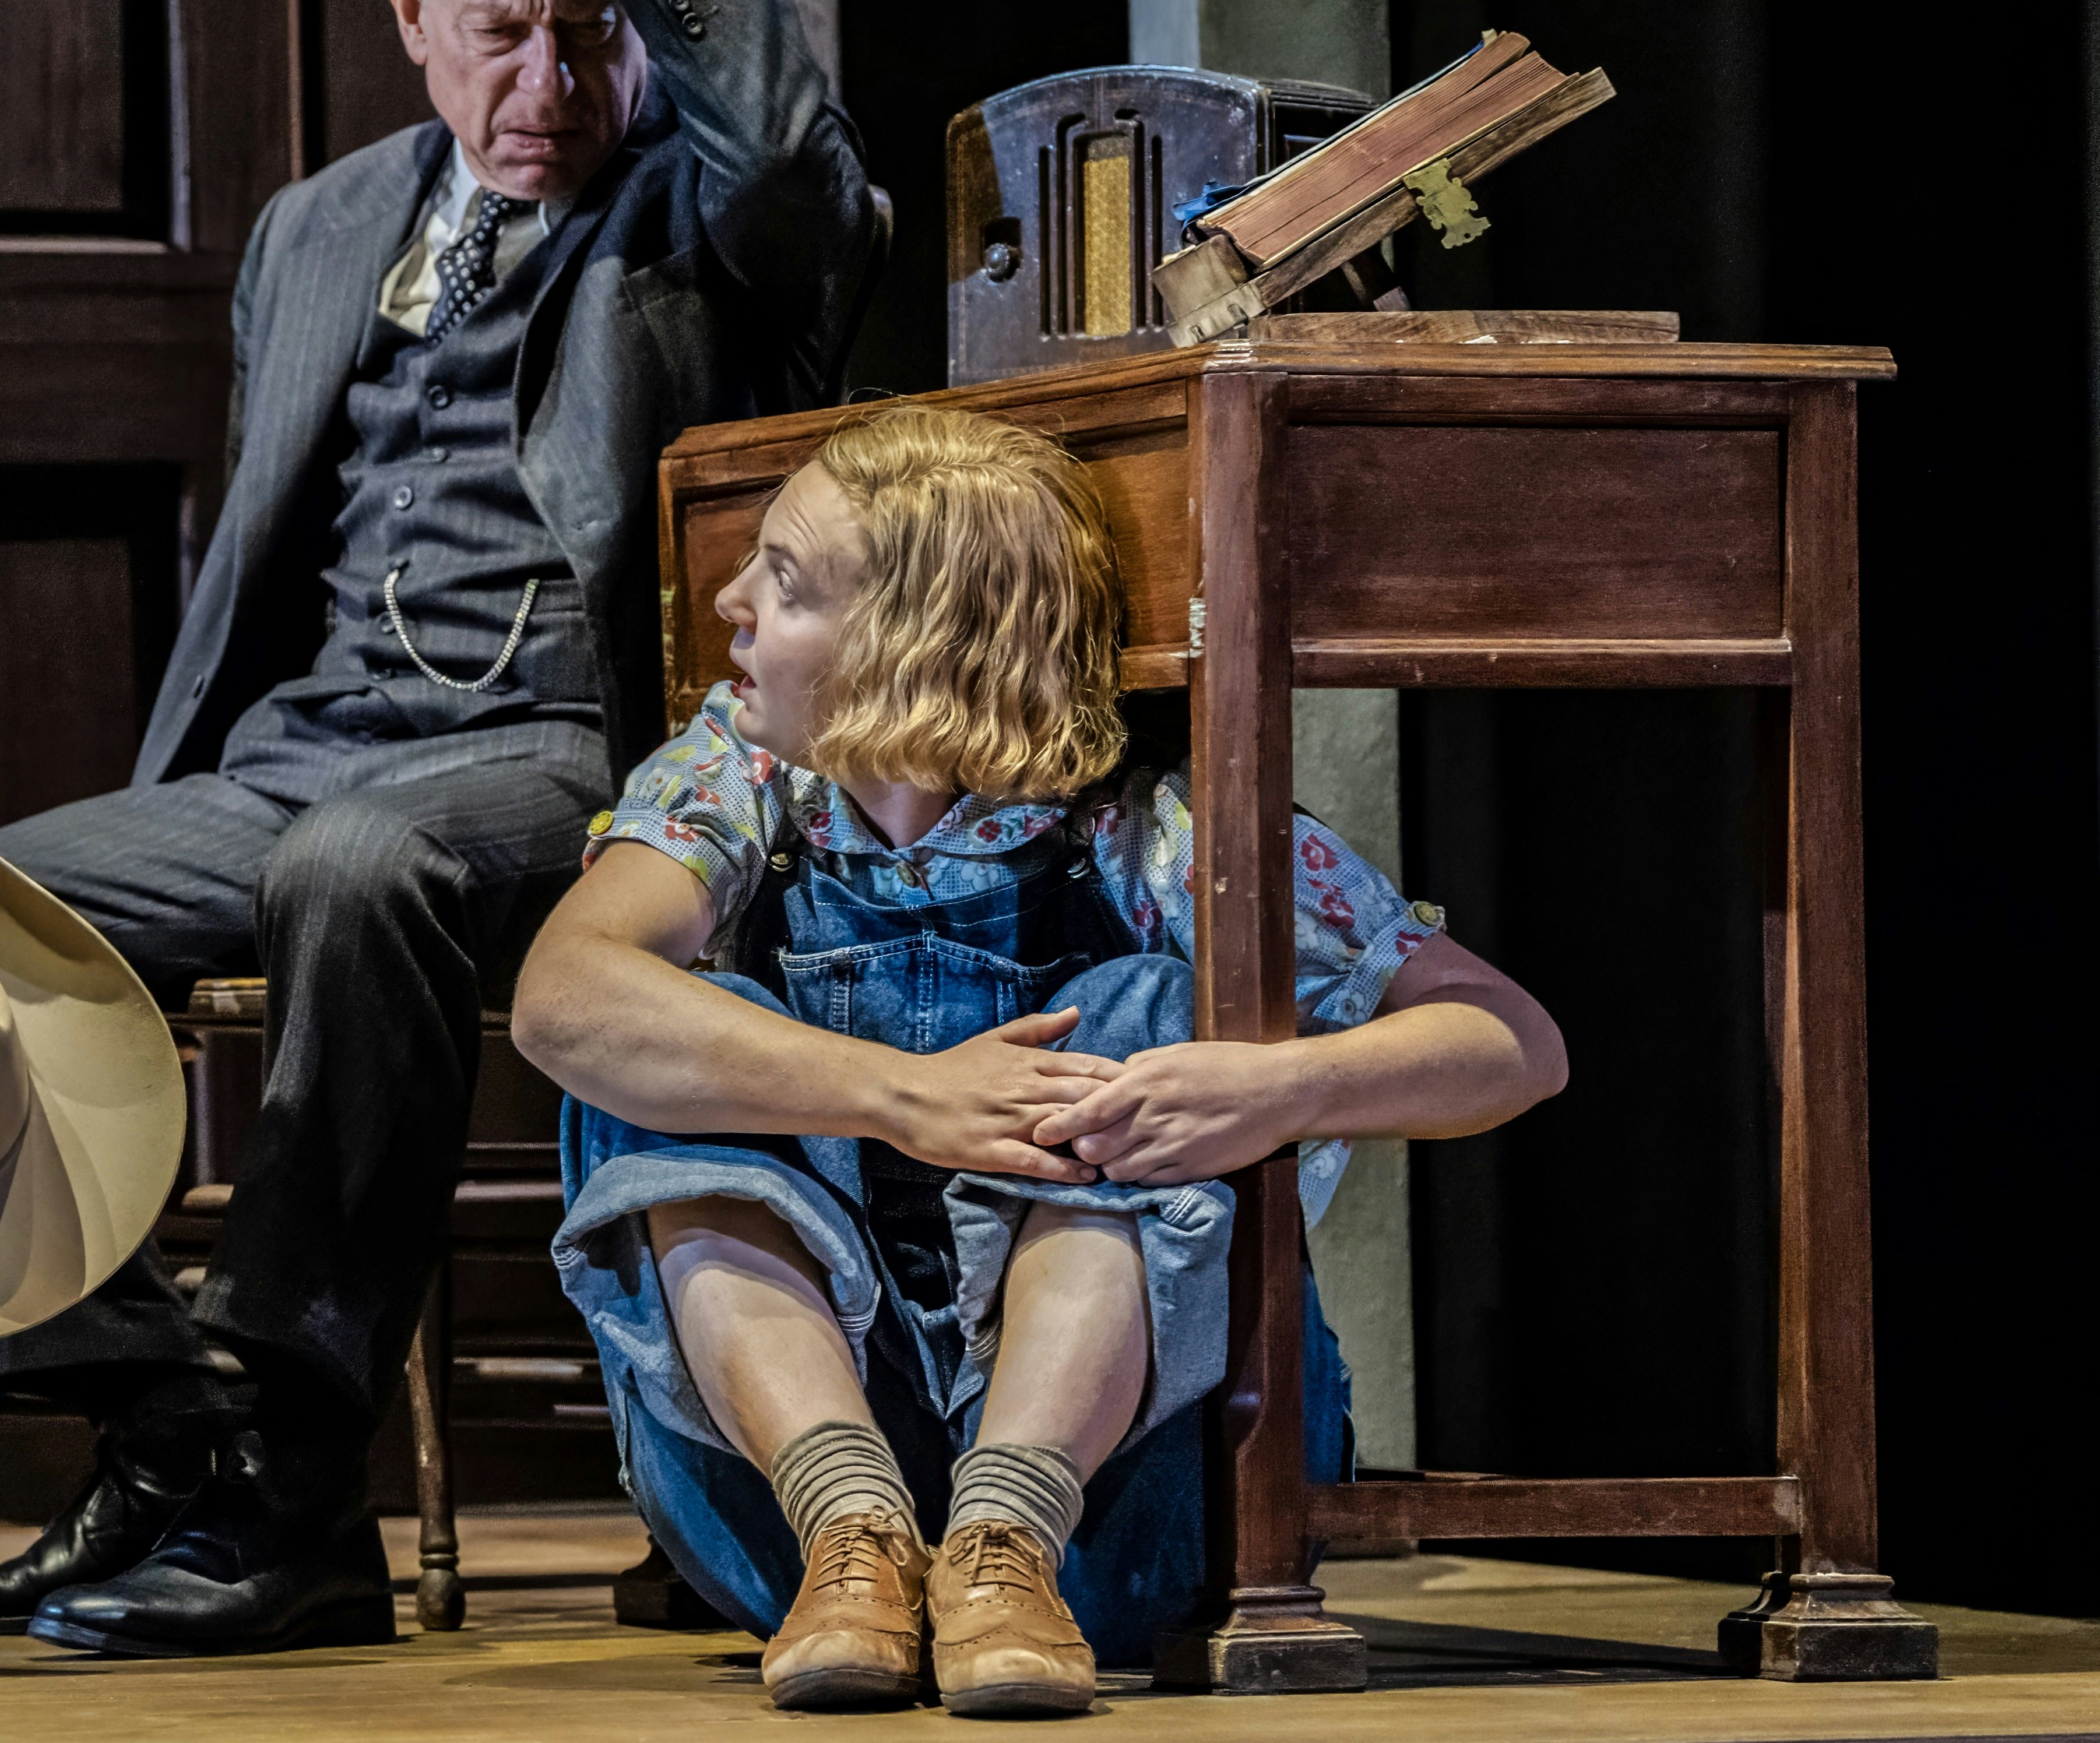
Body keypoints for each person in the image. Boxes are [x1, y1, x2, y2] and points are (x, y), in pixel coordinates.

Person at [0, 0, 877, 1656]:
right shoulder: (316, 229)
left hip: (572, 754)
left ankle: (295, 1494)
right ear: (404, 8)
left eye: (592, 36)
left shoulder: (702, 216)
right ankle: (160, 1414)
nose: (549, 87)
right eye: (502, 32)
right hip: (303, 757)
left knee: (361, 867)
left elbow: (795, 161)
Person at [509, 407, 1566, 1715]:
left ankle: (1003, 1533)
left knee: (1139, 1003)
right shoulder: (736, 776)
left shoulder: (1148, 824)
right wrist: (910, 1097)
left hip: (1122, 1515)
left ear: (907, 644)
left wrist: (1275, 1084)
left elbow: (1513, 1041)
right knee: (665, 1024)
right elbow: (563, 998)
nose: (726, 601)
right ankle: (861, 1529)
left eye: (781, 584)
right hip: (788, 1538)